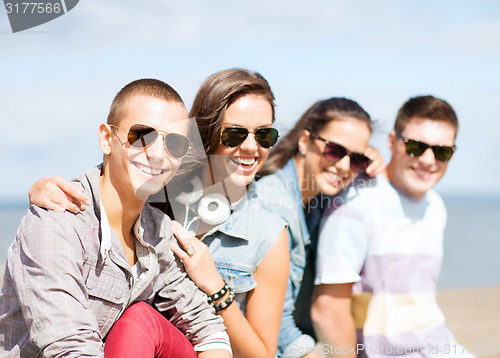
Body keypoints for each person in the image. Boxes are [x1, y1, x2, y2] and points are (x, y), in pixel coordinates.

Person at [27, 69, 290, 358]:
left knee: (139, 319)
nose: (251, 146)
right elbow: (115, 173)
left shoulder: (265, 231)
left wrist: (215, 286)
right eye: (235, 134)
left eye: (264, 134)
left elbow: (253, 349)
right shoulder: (158, 189)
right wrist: (43, 190)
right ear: (206, 134)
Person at [0, 79, 231, 357]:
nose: (158, 154)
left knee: (142, 319)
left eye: (175, 143)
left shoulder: (158, 231)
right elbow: (70, 346)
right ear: (107, 139)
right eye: (142, 135)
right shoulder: (58, 222)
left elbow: (206, 327)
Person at [312, 95, 473, 357]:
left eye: (442, 151)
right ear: (391, 141)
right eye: (415, 147)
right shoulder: (355, 203)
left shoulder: (435, 206)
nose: (429, 160)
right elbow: (327, 311)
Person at [256, 97, 385, 357]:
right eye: (334, 150)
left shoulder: (316, 197)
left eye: (357, 158)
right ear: (304, 142)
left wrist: (372, 166)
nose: (345, 166)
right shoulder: (273, 205)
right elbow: (276, 324)